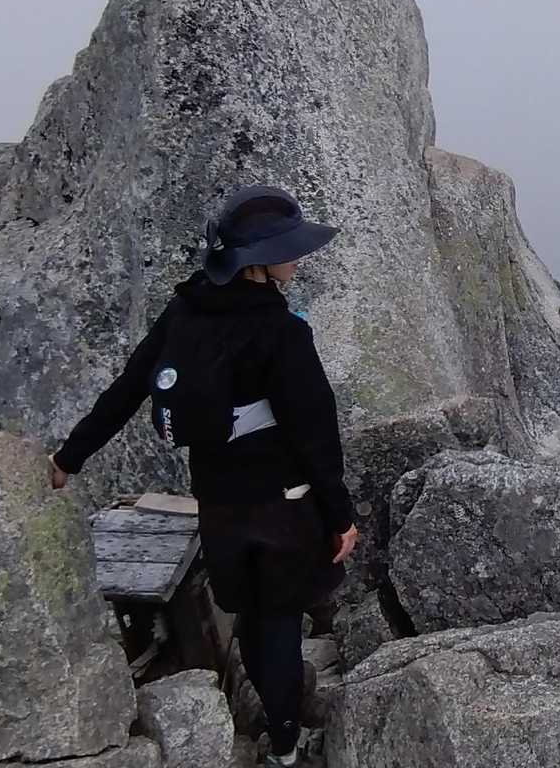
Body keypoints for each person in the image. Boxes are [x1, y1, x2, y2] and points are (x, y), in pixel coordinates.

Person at [50, 185, 359, 767]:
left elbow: (127, 389)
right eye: (288, 250)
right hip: (283, 506)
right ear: (258, 263)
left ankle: (276, 716)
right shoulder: (283, 332)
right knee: (278, 625)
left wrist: (69, 459)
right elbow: (315, 433)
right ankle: (286, 747)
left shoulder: (185, 311)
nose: (298, 258)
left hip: (218, 505)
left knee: (251, 618)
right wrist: (340, 515)